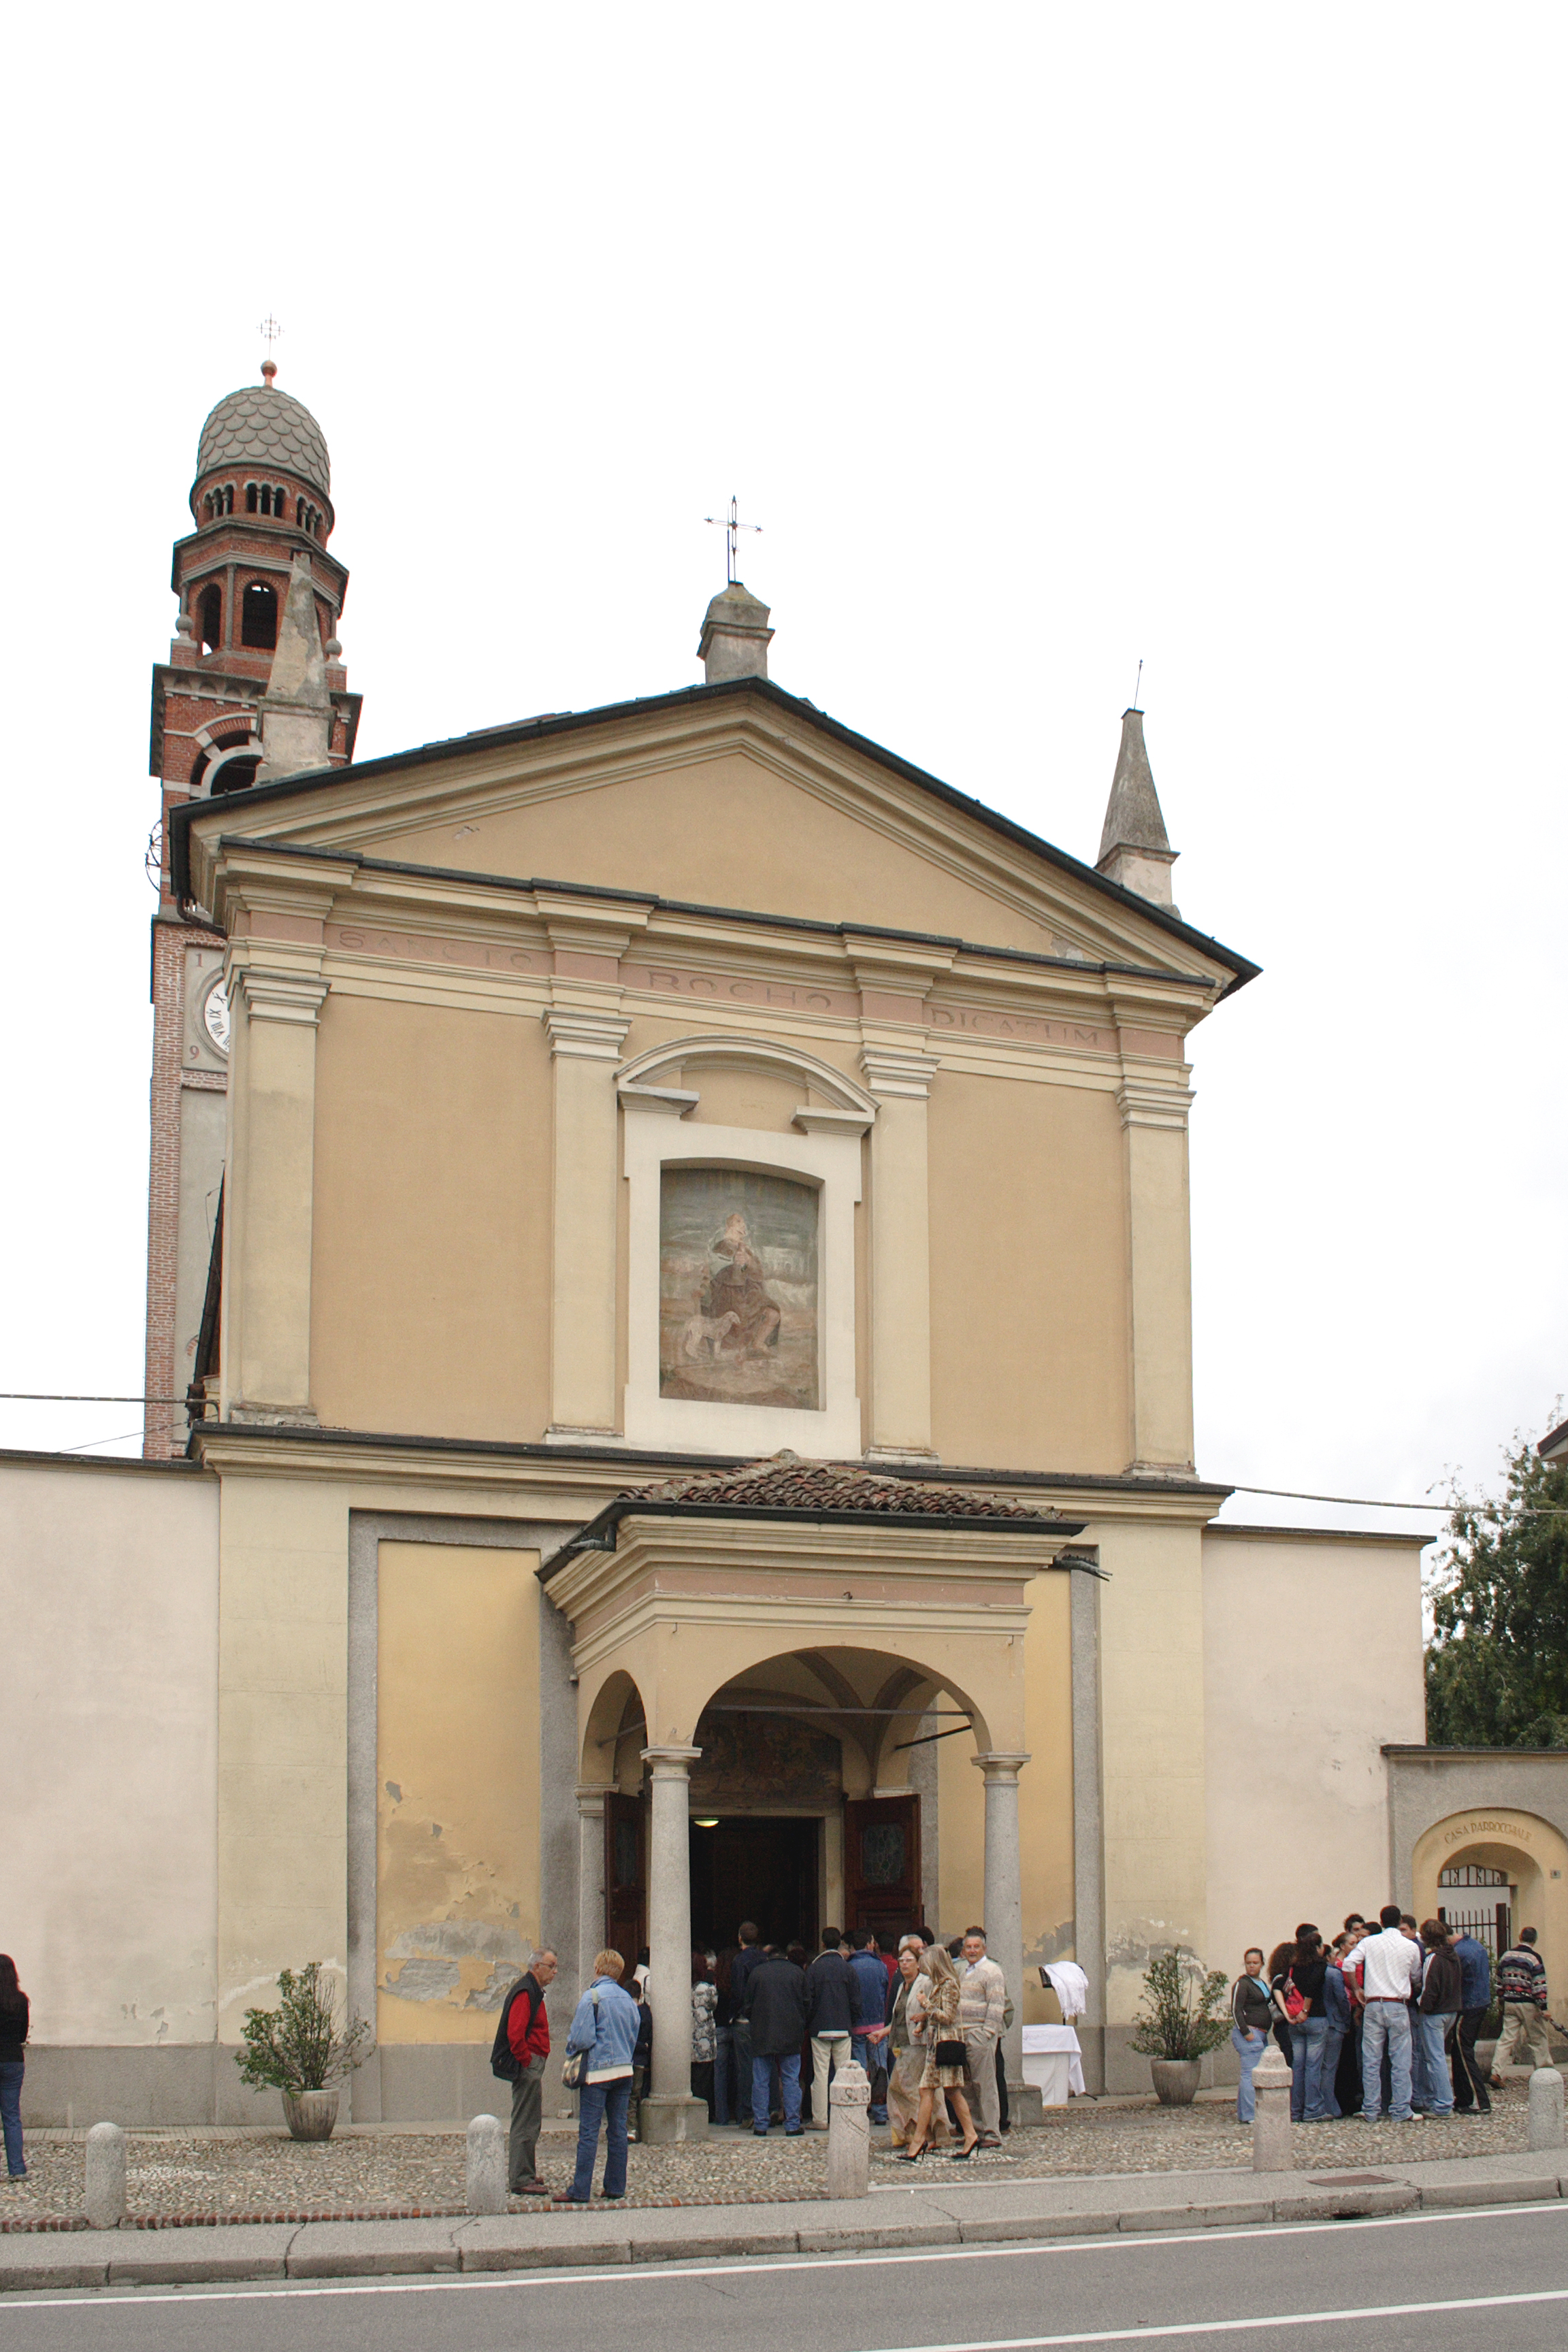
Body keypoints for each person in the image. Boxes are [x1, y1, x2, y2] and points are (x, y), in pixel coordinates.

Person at [555, 1950, 640, 2204]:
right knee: (618, 2130)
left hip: (598, 2072)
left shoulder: (592, 1997)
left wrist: (571, 2050)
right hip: (625, 2070)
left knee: (589, 2131)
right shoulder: (627, 1999)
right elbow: (634, 2032)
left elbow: (581, 2038)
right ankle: (615, 2186)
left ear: (597, 1969)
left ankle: (580, 2188)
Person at [900, 1944, 979, 2161]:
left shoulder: (950, 1985)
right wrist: (923, 2024)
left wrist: (926, 2006)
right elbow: (936, 2015)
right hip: (936, 2046)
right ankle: (967, 2136)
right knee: (943, 2092)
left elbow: (948, 2017)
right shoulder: (938, 1985)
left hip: (945, 2047)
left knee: (941, 2091)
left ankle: (920, 2142)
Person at [491, 1945, 556, 2196]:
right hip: (528, 2063)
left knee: (532, 2121)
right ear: (537, 1966)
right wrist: (526, 2060)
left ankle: (526, 2172)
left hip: (533, 2061)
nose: (555, 1972)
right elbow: (515, 2032)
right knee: (525, 2122)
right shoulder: (525, 1991)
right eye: (551, 1966)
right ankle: (520, 2177)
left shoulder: (533, 1990)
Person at [1358, 1903, 1422, 2122]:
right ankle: (1401, 2108)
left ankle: (1371, 2109)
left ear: (1382, 1921)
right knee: (1401, 2060)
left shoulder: (1369, 1942)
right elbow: (1416, 1975)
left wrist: (1358, 1989)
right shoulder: (1411, 1946)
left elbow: (1349, 1965)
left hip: (1374, 2003)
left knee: (1372, 2060)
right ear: (1399, 1921)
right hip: (1397, 2003)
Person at [742, 1939, 808, 2134]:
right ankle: (792, 2124)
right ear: (786, 1957)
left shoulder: (757, 1973)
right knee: (791, 2079)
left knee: (761, 2080)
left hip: (762, 2032)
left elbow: (747, 2006)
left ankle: (761, 2125)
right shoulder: (797, 1973)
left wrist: (756, 2020)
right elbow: (807, 2004)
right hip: (791, 2033)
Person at [804, 1927, 860, 2129]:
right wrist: (850, 2021)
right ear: (840, 1944)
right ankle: (846, 2116)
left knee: (820, 2075)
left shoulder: (813, 1969)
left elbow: (808, 2001)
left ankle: (820, 2119)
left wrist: (810, 2022)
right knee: (844, 2073)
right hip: (843, 2027)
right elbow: (856, 2001)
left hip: (820, 2028)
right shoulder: (848, 1969)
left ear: (822, 1944)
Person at [1277, 1925, 1332, 2123]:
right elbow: (1312, 1987)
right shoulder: (1320, 1966)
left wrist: (1291, 2013)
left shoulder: (1293, 1967)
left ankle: (1295, 2110)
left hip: (1295, 2021)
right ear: (1317, 1947)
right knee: (1313, 2067)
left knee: (1298, 2066)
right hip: (1314, 2017)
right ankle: (1313, 2109)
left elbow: (1282, 1987)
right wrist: (1305, 2011)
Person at [958, 1927, 1007, 2149]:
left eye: (976, 1946)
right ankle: (975, 2132)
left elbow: (997, 2006)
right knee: (967, 2087)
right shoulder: (963, 1971)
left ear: (984, 1948)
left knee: (985, 2086)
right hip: (962, 2035)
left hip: (979, 2036)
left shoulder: (992, 1972)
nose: (972, 1950)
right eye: (968, 1947)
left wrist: (987, 2034)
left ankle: (992, 2132)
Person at [1415, 1919, 1459, 2119]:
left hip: (1435, 2012)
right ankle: (1436, 2098)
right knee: (1436, 2056)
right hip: (1451, 2009)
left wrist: (1422, 2006)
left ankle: (1443, 2103)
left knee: (1435, 2059)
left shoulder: (1433, 1959)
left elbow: (1429, 1989)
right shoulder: (1453, 1956)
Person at [847, 1929, 890, 2124]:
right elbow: (885, 1991)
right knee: (880, 2068)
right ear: (868, 1944)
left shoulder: (849, 1966)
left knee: (860, 2069)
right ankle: (881, 2112)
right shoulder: (879, 1965)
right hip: (877, 2025)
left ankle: (861, 2108)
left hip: (857, 2025)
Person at [1450, 1923, 1493, 2114]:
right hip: (1481, 2002)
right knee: (1460, 2051)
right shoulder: (1475, 1945)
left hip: (1469, 2006)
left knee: (1464, 2051)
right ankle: (1465, 2098)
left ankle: (1478, 2099)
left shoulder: (1459, 1953)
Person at [1230, 1948, 1273, 2123]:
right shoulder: (1243, 1984)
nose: (1252, 1966)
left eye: (1255, 1963)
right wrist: (1245, 2032)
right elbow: (1235, 2009)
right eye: (1249, 1963)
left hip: (1261, 2033)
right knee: (1250, 2074)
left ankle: (1244, 2112)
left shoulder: (1261, 1983)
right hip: (1249, 2033)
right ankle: (1250, 2114)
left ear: (1262, 1963)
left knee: (1251, 2074)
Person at [1499, 1928, 1551, 2071]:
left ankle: (1496, 2072)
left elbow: (1499, 1980)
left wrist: (1502, 1996)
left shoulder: (1506, 1956)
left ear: (1520, 1937)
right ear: (1535, 1940)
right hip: (1529, 2004)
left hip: (1510, 2002)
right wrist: (1543, 2007)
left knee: (1506, 2039)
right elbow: (1539, 1985)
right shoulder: (1534, 1958)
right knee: (1538, 2038)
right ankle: (1544, 2071)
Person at [729, 1923, 763, 2120]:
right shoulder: (764, 1959)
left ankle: (748, 2112)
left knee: (745, 2068)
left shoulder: (739, 1961)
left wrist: (734, 2014)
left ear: (740, 1938)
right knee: (766, 2064)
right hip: (763, 2019)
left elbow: (739, 1993)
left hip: (744, 2019)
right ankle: (770, 2107)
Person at [0, 1957, 28, 2180]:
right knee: (12, 2117)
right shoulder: (20, 2000)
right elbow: (22, 2035)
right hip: (12, 2060)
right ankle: (17, 2170)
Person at [691, 1951, 719, 2119]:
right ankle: (704, 2115)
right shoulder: (707, 1989)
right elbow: (713, 2006)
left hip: (687, 2040)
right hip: (704, 2040)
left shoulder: (680, 1987)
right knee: (704, 2080)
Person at [1264, 1941, 1296, 2070]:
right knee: (1290, 2058)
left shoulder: (1278, 1979)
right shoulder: (1281, 1980)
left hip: (1282, 2026)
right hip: (1285, 2025)